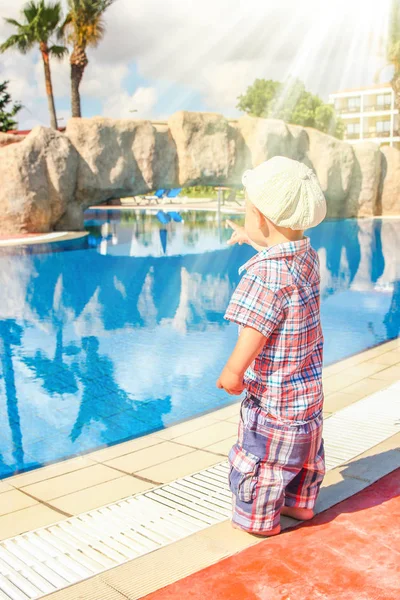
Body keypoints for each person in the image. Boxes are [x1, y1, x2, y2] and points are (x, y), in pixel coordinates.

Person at [217, 156, 327, 536]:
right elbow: (283, 258)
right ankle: (301, 505)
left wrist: (233, 371)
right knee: (304, 462)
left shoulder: (263, 277)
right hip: (307, 404)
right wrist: (253, 238)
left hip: (273, 409)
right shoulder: (307, 257)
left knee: (261, 466)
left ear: (261, 217)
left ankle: (260, 521)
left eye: (248, 212)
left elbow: (255, 329)